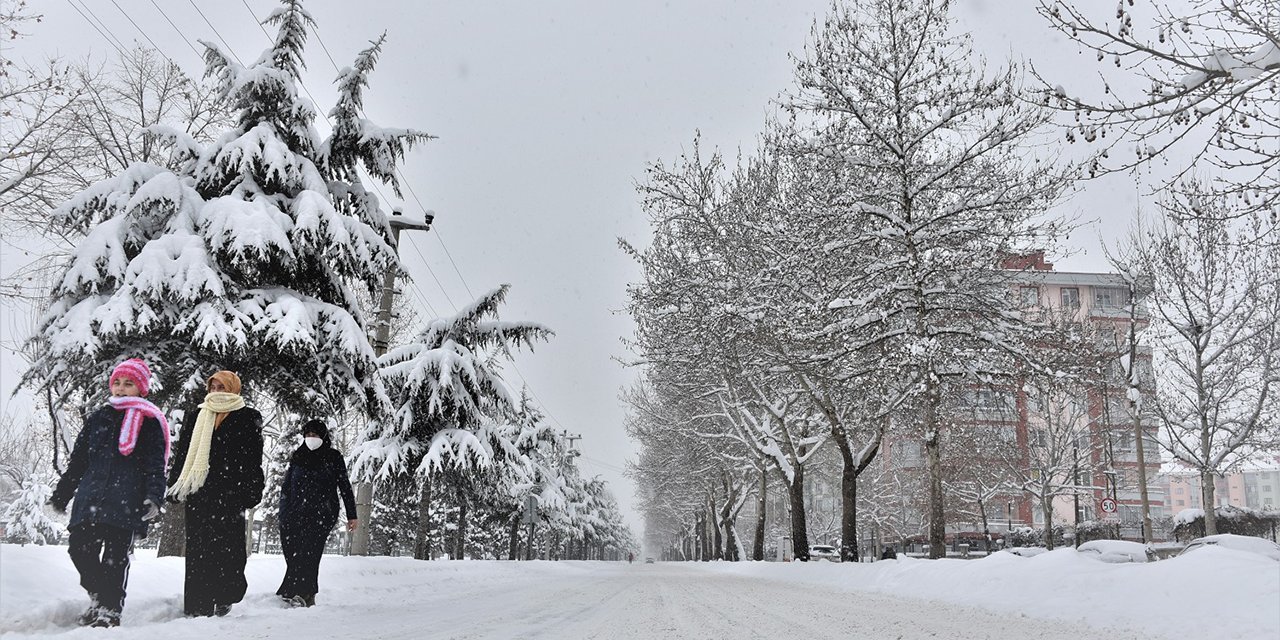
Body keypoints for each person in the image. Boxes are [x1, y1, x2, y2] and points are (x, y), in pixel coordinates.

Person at [49, 358, 170, 628]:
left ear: (141, 389)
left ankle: (109, 610)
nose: (121, 388)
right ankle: (98, 596)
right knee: (79, 550)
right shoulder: (98, 417)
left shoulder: (149, 422)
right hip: (91, 498)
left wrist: (154, 496)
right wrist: (63, 493)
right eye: (117, 382)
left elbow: (155, 464)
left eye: (129, 384)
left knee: (116, 560)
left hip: (126, 502)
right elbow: (78, 461)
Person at [167, 370, 264, 617]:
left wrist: (253, 489)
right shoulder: (197, 415)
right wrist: (175, 484)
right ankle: (197, 605)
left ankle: (225, 594)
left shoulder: (247, 417)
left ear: (233, 389)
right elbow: (185, 453)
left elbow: (253, 458)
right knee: (199, 549)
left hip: (231, 493)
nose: (217, 392)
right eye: (213, 387)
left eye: (222, 387)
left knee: (229, 549)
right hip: (200, 492)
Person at [276, 419, 358, 608]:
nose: (311, 439)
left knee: (310, 552)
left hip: (322, 513)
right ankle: (290, 587)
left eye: (315, 435)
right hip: (295, 512)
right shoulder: (298, 455)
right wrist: (284, 511)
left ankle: (307, 593)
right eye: (308, 435)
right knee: (292, 551)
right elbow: (287, 486)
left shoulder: (333, 457)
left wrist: (352, 515)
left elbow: (344, 486)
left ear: (323, 437)